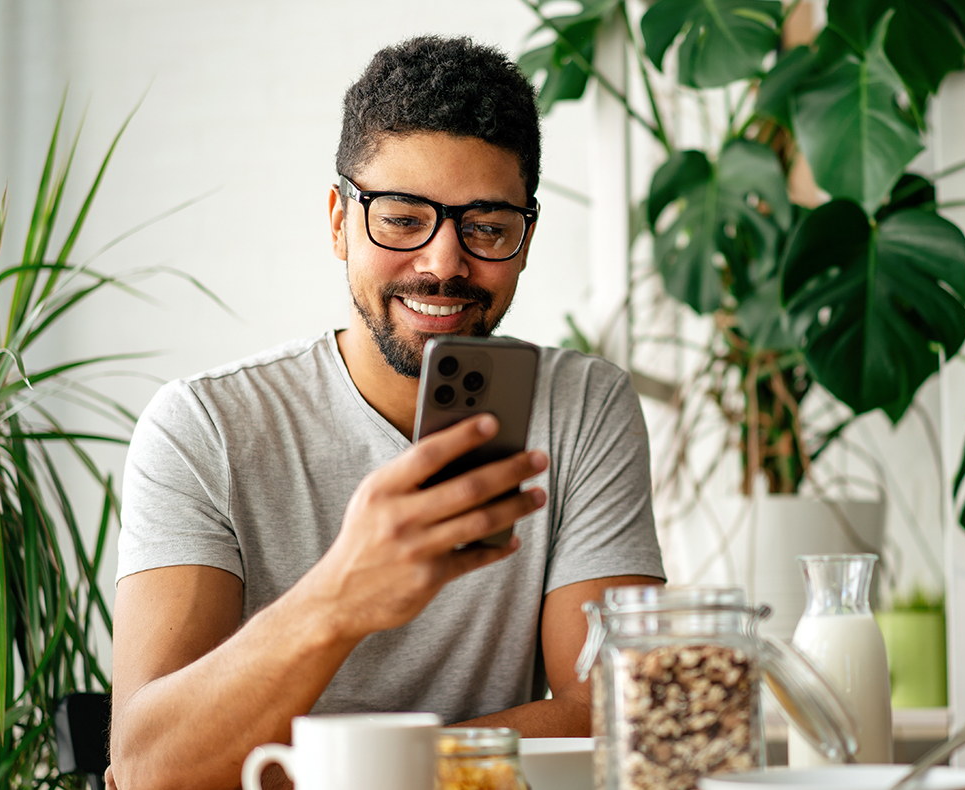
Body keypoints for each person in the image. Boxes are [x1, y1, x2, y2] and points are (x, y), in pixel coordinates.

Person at [107, 35, 665, 790]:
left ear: (525, 240)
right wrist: (340, 594)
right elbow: (149, 768)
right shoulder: (204, 427)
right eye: (402, 219)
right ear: (339, 221)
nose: (443, 263)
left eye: (487, 228)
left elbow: (615, 710)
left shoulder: (582, 407)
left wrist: (353, 769)